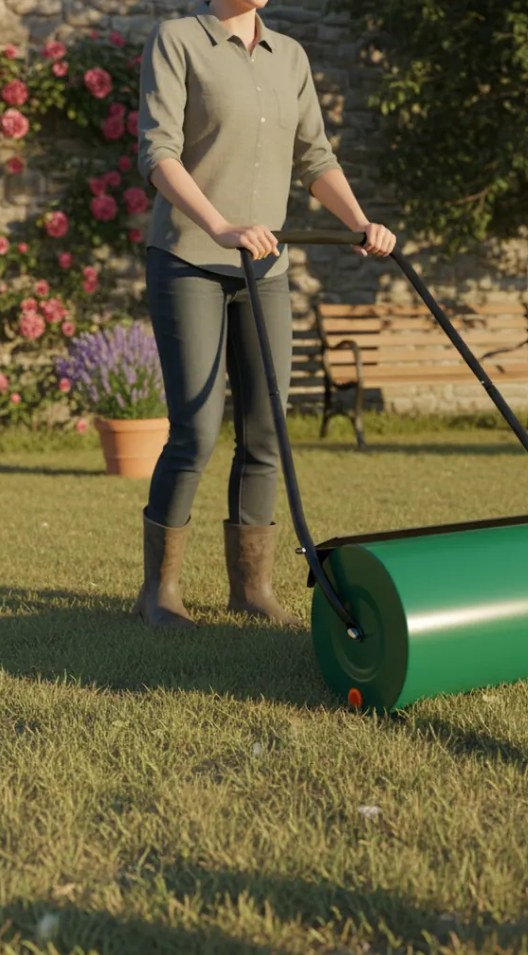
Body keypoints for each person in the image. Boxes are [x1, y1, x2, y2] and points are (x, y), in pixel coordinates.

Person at [135, 0, 395, 628]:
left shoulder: (291, 57)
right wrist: (220, 225)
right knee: (196, 430)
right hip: (190, 259)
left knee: (267, 432)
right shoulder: (177, 41)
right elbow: (159, 152)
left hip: (264, 271)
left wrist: (360, 224)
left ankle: (251, 589)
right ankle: (159, 592)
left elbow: (316, 159)